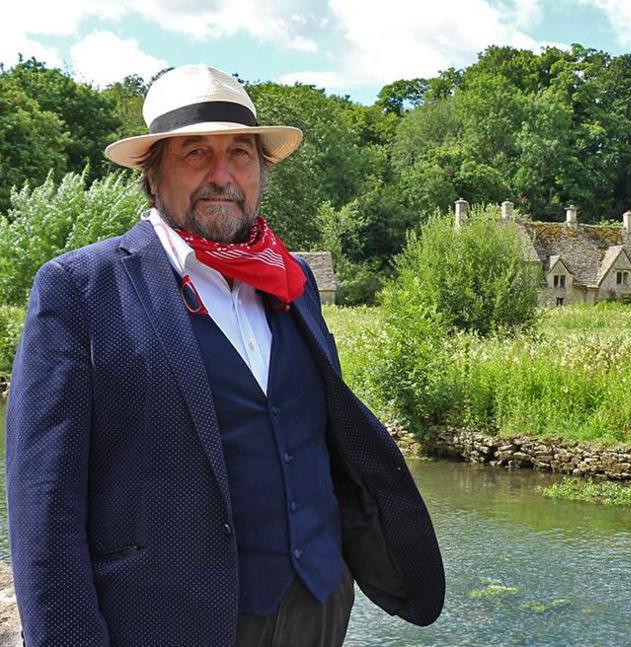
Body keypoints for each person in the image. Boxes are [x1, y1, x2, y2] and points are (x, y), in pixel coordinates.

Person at [5, 64, 444, 646]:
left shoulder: (294, 282)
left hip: (317, 604)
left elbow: (313, 436)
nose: (222, 174)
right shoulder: (79, 289)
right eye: (195, 154)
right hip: (167, 620)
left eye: (240, 153)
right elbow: (44, 505)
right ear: (153, 175)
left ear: (261, 171)